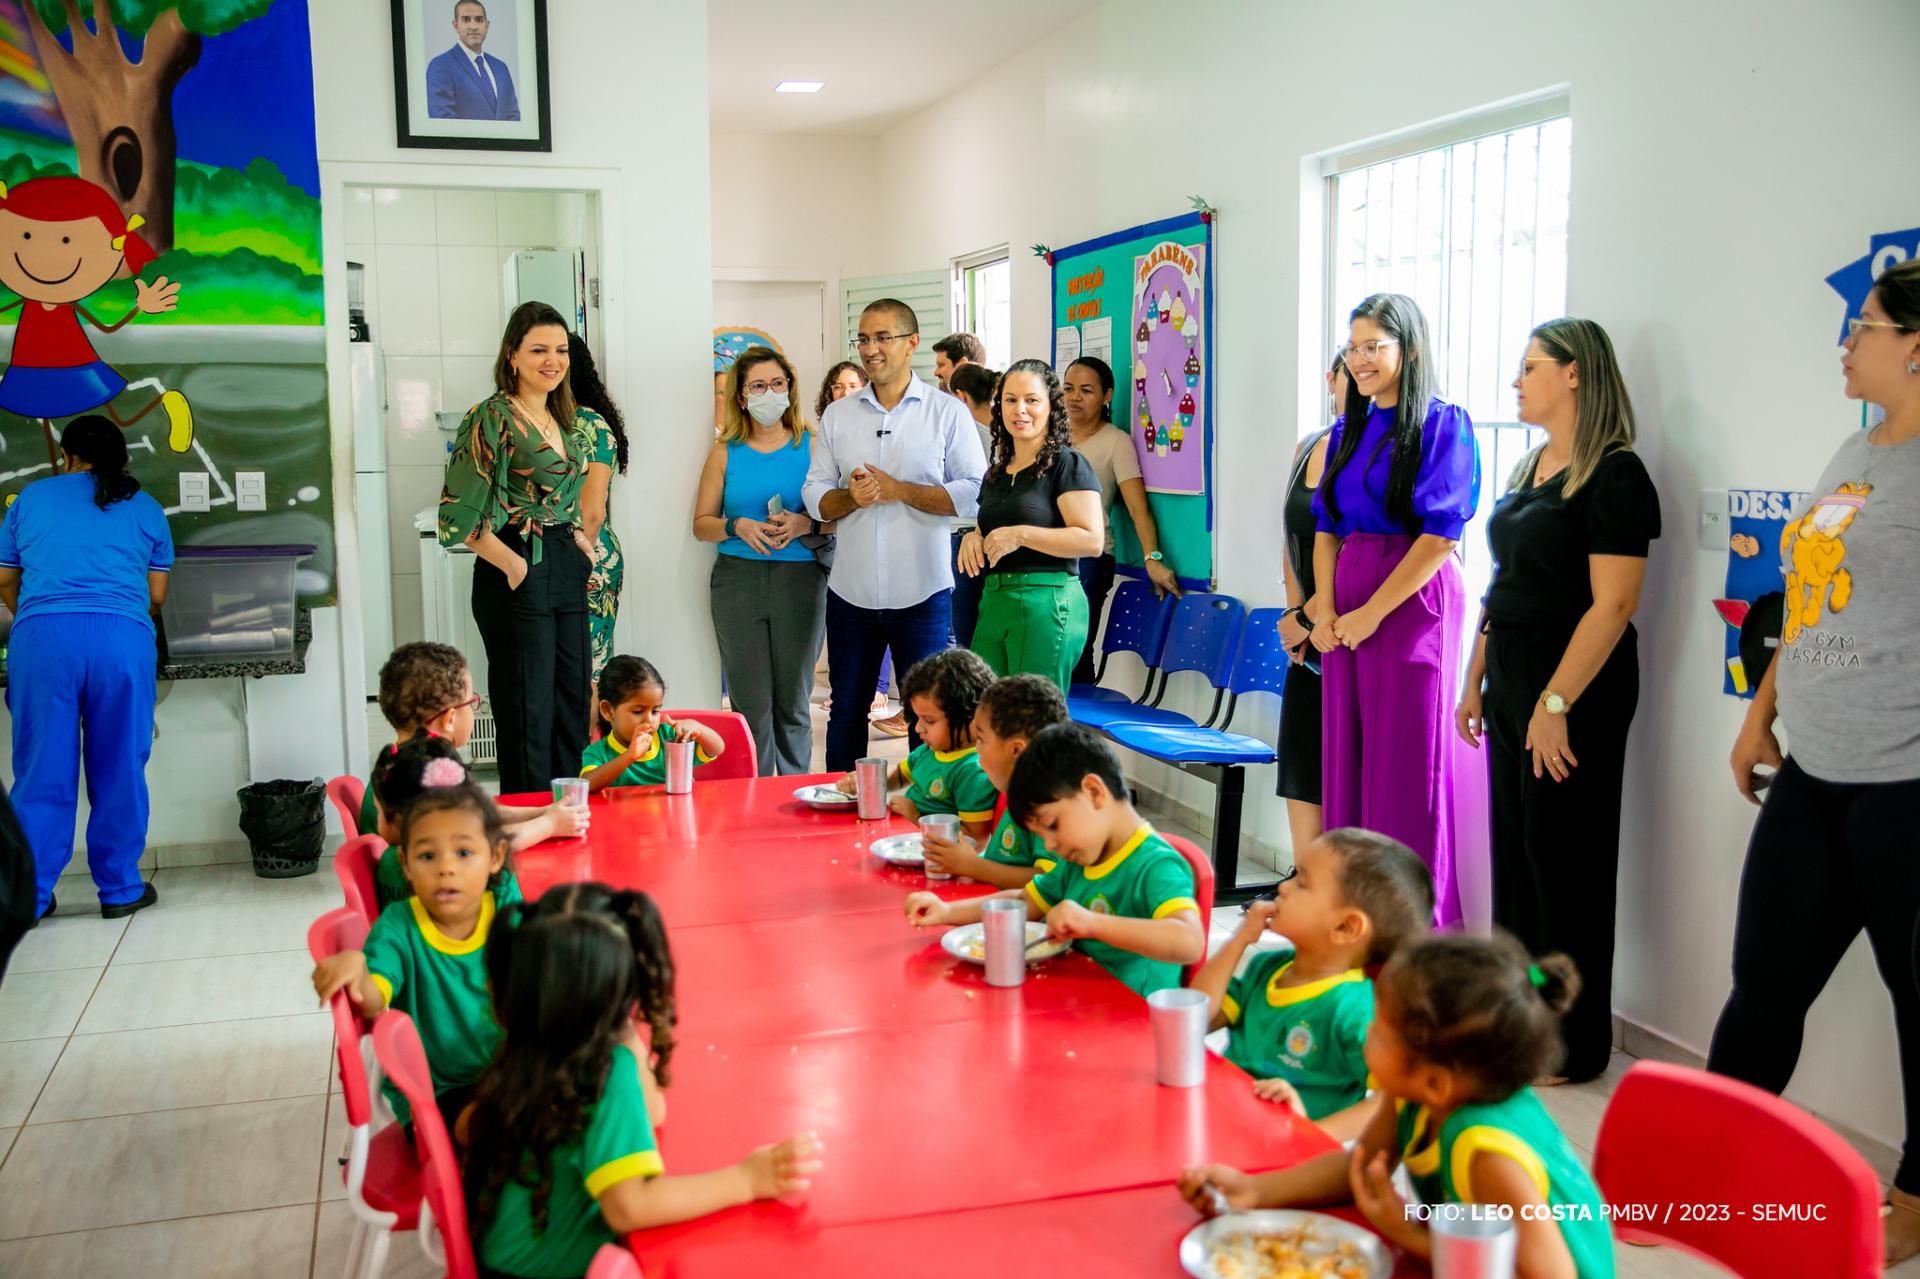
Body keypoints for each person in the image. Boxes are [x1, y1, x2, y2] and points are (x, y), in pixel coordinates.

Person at [1713, 258, 1920, 1265]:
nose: (1847, 340)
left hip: (1906, 786)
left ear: (1917, 344)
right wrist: (1763, 715)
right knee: (1764, 978)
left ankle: (1918, 1190)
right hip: (1814, 766)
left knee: (1917, 999)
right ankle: (1703, 1166)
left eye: (1866, 325)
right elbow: (1806, 603)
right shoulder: (1857, 446)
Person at [1456, 320, 1660, 1086]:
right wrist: (1475, 673)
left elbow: (1613, 606)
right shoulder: (1531, 465)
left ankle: (1570, 1044)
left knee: (1562, 864)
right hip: (1513, 669)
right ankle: (1517, 1025)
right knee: (1517, 857)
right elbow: (1502, 585)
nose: (1517, 382)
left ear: (1575, 374)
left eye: (1530, 368)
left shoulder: (1616, 475)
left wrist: (1555, 700)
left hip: (1573, 683)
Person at [1179, 935, 1614, 1279]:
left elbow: (1546, 1273)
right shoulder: (1412, 1095)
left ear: (1435, 1082)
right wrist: (1254, 1191)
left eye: (1381, 1031)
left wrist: (1405, 1233)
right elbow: (1362, 1166)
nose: (1366, 1032)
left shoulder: (1487, 1154)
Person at [464, 883, 821, 1277]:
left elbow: (653, 1110)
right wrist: (746, 1180)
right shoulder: (602, 1069)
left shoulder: (529, 1042)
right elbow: (629, 1207)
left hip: (498, 1264)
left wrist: (615, 1022)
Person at [1307, 293, 1480, 927]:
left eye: (1373, 346)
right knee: (1348, 759)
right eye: (1352, 347)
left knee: (1407, 765)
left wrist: (1372, 613)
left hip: (1411, 603)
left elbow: (1440, 537)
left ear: (1407, 348)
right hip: (1348, 596)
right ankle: (1353, 919)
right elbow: (1325, 527)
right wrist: (1323, 608)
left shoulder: (1443, 423)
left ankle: (1415, 931)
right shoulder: (1346, 430)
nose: (1360, 359)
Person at [804, 299, 987, 771]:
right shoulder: (838, 416)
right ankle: (841, 815)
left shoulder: (947, 413)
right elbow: (815, 492)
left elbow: (972, 492)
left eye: (882, 337)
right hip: (851, 593)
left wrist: (900, 490)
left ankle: (922, 820)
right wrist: (852, 498)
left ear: (912, 343)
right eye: (863, 339)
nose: (870, 349)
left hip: (922, 593)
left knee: (925, 719)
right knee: (845, 713)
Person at [0, 415, 171, 920]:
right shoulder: (146, 508)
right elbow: (155, 597)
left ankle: (31, 896)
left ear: (67, 455)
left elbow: (6, 579)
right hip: (121, 640)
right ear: (122, 456)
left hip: (42, 641)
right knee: (119, 764)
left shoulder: (30, 499)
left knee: (40, 770)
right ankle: (119, 890)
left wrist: (33, 613)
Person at [905, 723, 1204, 997]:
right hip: (1074, 1007)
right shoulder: (1078, 860)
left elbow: (1189, 941)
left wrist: (1092, 923)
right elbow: (1025, 901)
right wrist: (946, 912)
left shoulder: (1155, 865)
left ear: (1093, 791)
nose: (1049, 845)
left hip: (1134, 1028)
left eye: (1052, 825)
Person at [439, 301, 597, 795]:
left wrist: (578, 541)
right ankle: (530, 828)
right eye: (538, 350)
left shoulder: (564, 417)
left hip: (564, 563)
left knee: (572, 699)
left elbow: (569, 495)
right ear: (512, 355)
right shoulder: (491, 416)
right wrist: (512, 565)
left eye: (560, 350)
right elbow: (457, 515)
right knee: (528, 707)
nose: (552, 360)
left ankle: (569, 818)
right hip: (516, 561)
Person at [1189, 829, 1432, 1140]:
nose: (1282, 887)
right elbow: (1193, 1020)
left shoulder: (1354, 1009)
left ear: (1345, 926)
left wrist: (1311, 1136)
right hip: (1226, 1127)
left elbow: (1397, 1101)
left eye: (1301, 883)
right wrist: (1239, 940)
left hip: (1285, 1166)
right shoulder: (1268, 968)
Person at [311, 772, 521, 1128]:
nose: (446, 868)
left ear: (496, 856)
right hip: (439, 1092)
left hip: (513, 1073)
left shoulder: (504, 905)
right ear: (405, 864)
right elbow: (374, 999)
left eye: (464, 852)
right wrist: (358, 968)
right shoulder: (398, 925)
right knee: (499, 1131)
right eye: (427, 856)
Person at [693, 345, 826, 775]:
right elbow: (701, 523)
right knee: (750, 703)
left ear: (790, 388)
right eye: (758, 386)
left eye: (777, 384)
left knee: (793, 700)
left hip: (801, 580)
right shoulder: (724, 451)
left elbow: (841, 516)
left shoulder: (814, 445)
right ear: (741, 396)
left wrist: (806, 524)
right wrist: (737, 527)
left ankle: (792, 797)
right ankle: (752, 801)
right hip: (738, 582)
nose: (769, 393)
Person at [0, 177, 193, 466]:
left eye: (66, 240)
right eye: (25, 236)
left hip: (77, 366)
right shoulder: (28, 303)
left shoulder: (68, 305)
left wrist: (141, 307)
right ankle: (53, 481)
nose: (46, 255)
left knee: (116, 416)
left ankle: (163, 403)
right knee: (44, 426)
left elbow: (108, 327)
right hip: (30, 370)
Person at [961, 359, 1104, 689]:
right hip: (996, 598)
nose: (1019, 410)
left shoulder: (1067, 463)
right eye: (1010, 400)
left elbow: (1091, 540)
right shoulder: (998, 471)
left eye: (1031, 400)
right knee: (986, 715)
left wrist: (1022, 535)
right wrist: (975, 536)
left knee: (1032, 723)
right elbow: (995, 525)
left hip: (1047, 601)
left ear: (1051, 405)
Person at [360, 640, 585, 849]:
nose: (473, 710)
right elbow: (485, 844)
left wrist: (542, 812)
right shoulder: (427, 778)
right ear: (449, 719)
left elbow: (480, 811)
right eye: (471, 702)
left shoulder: (397, 759)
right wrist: (550, 825)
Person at [1060, 357, 1182, 686]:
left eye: (1086, 390)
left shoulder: (1116, 442)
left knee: (1075, 653)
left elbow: (1138, 508)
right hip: (1045, 555)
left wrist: (1152, 558)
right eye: (1068, 388)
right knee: (1046, 653)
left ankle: (1076, 734)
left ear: (1107, 396)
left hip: (1088, 560)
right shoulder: (1049, 438)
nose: (1074, 397)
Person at [1273, 353, 1346, 856]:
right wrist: (1293, 613)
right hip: (1304, 620)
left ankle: (1339, 885)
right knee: (1300, 753)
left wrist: (1311, 616)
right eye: (1350, 369)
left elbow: (1356, 549)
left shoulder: (1373, 453)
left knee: (1342, 760)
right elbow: (1290, 536)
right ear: (1332, 380)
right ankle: (1305, 875)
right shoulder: (1310, 444)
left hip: (1341, 616)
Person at [368, 736, 571, 909]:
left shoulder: (390, 862)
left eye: (378, 812)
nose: (446, 868)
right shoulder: (395, 862)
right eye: (428, 856)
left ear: (395, 816)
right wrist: (549, 823)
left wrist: (547, 819)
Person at [811, 361, 903, 734]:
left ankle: (879, 688)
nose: (843, 392)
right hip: (833, 543)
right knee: (850, 614)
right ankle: (849, 689)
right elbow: (817, 491)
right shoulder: (828, 429)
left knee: (882, 609)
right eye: (836, 386)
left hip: (885, 545)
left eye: (851, 385)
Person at [920, 673, 1067, 889]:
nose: (976, 750)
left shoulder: (1048, 805)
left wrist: (973, 866)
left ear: (1016, 750)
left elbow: (1049, 884)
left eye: (981, 740)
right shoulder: (1014, 791)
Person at [834, 648, 997, 841]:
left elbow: (974, 839)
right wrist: (867, 779)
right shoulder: (930, 752)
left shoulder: (973, 771)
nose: (918, 728)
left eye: (929, 720)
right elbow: (899, 777)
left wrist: (917, 818)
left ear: (969, 716)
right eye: (917, 718)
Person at [569, 331, 629, 689]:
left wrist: (573, 567)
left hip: (588, 558)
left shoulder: (589, 424)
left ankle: (590, 747)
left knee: (588, 672)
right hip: (569, 557)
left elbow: (591, 514)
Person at [579, 656, 726, 793]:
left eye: (655, 711)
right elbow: (586, 785)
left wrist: (697, 727)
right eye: (637, 711)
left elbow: (717, 748)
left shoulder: (669, 739)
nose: (649, 720)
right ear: (608, 711)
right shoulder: (598, 753)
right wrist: (629, 756)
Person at [946, 362, 999, 650]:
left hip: (965, 537)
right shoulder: (1005, 435)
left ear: (961, 397)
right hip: (991, 538)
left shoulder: (965, 434)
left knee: (965, 635)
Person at [426, 0, 521, 121]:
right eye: (466, 20)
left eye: (479, 20)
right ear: (456, 25)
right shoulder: (440, 66)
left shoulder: (501, 68)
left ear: (487, 25)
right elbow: (443, 121)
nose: (473, 26)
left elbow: (513, 116)